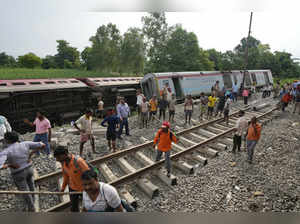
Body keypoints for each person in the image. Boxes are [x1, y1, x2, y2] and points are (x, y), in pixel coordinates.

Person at [0, 131, 46, 212]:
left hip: (18, 173)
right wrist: (31, 155)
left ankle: (32, 208)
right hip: (29, 169)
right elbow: (42, 145)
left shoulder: (6, 151)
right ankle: (33, 201)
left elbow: (0, 166)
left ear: (7, 140)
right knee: (31, 186)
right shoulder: (25, 144)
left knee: (25, 191)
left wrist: (10, 165)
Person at [54, 145, 90, 212]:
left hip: (84, 190)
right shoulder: (63, 163)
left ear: (65, 154)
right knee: (73, 208)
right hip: (72, 189)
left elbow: (90, 175)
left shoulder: (78, 161)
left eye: (58, 157)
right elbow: (66, 177)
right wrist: (62, 189)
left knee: (87, 208)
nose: (57, 160)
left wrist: (89, 190)